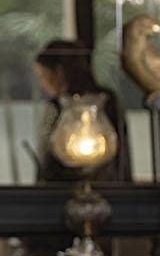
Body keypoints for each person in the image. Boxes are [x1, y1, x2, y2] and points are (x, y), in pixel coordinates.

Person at [33, 37, 132, 184]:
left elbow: (121, 153)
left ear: (59, 71)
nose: (42, 84)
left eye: (43, 75)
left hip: (103, 184)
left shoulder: (105, 103)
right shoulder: (56, 107)